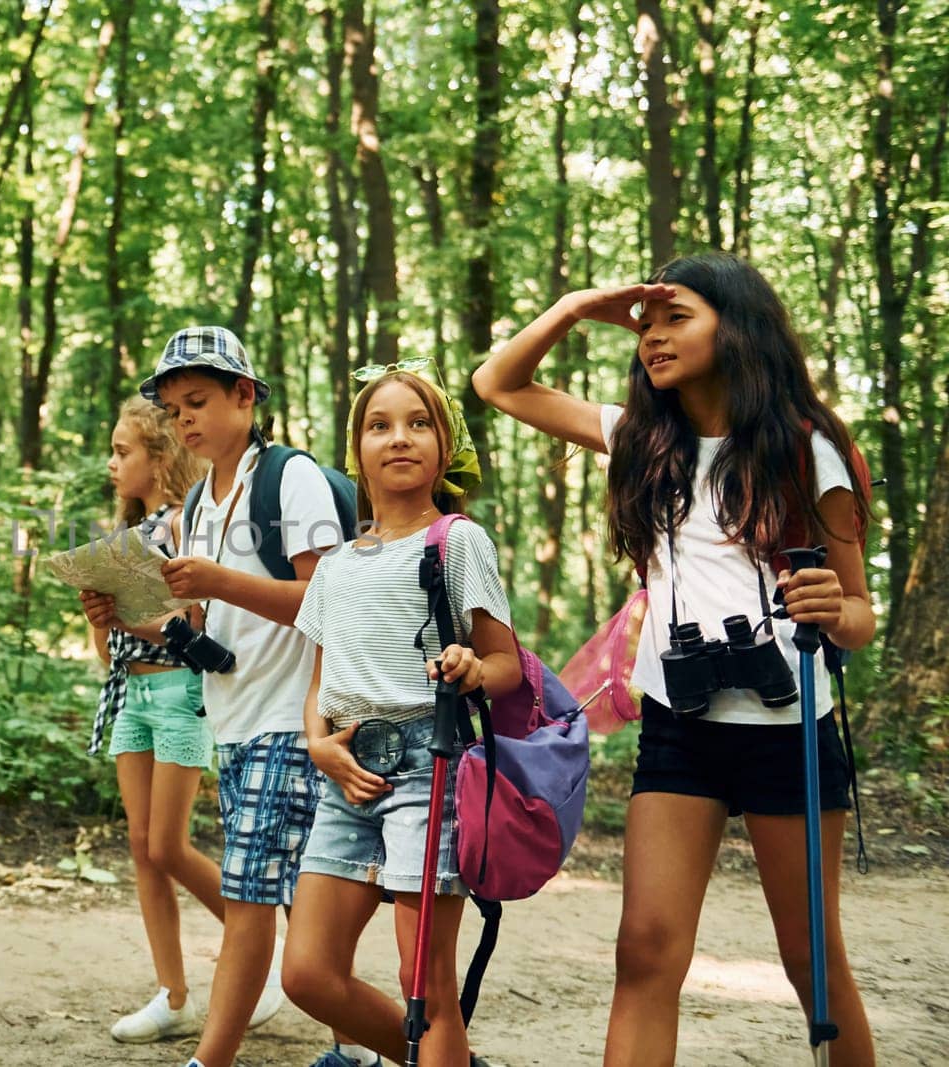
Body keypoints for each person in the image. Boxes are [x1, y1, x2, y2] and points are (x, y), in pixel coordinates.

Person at [472, 252, 876, 1066]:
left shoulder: (807, 450)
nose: (653, 335)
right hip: (678, 728)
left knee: (814, 965)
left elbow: (859, 614)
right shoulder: (639, 438)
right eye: (645, 323)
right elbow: (498, 384)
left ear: (738, 325)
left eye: (676, 316)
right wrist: (582, 303)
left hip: (787, 729)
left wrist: (836, 610)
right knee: (646, 950)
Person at [280, 363, 520, 1067]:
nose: (399, 438)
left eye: (419, 424)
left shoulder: (456, 540)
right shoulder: (336, 564)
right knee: (307, 972)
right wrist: (314, 742)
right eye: (379, 425)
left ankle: (437, 1052)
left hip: (429, 765)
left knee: (425, 986)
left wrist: (473, 667)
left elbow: (505, 662)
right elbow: (321, 680)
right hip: (346, 774)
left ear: (445, 446)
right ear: (357, 449)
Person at [144, 326, 361, 1067]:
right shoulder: (202, 501)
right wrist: (141, 618)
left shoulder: (289, 478)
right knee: (298, 894)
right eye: (174, 411)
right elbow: (208, 627)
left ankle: (210, 1059)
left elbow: (327, 599)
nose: (185, 421)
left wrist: (216, 580)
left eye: (198, 401)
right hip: (235, 722)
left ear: (246, 394)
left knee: (246, 900)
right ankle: (357, 1050)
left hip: (292, 718)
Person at [78, 397, 224, 1044]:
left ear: (159, 456)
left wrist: (131, 614)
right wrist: (97, 618)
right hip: (130, 697)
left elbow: (190, 626)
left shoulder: (191, 527)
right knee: (142, 848)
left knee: (169, 844)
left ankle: (266, 944)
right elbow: (111, 654)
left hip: (179, 694)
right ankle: (173, 994)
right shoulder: (121, 540)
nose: (112, 463)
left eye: (122, 451)